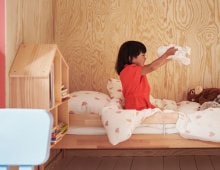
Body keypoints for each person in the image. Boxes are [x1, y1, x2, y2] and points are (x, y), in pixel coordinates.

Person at [115, 40, 177, 110]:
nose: (145, 58)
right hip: (136, 108)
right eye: (143, 55)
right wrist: (166, 54)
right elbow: (152, 67)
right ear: (130, 57)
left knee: (164, 112)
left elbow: (153, 66)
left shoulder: (136, 71)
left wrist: (170, 58)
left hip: (143, 106)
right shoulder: (129, 70)